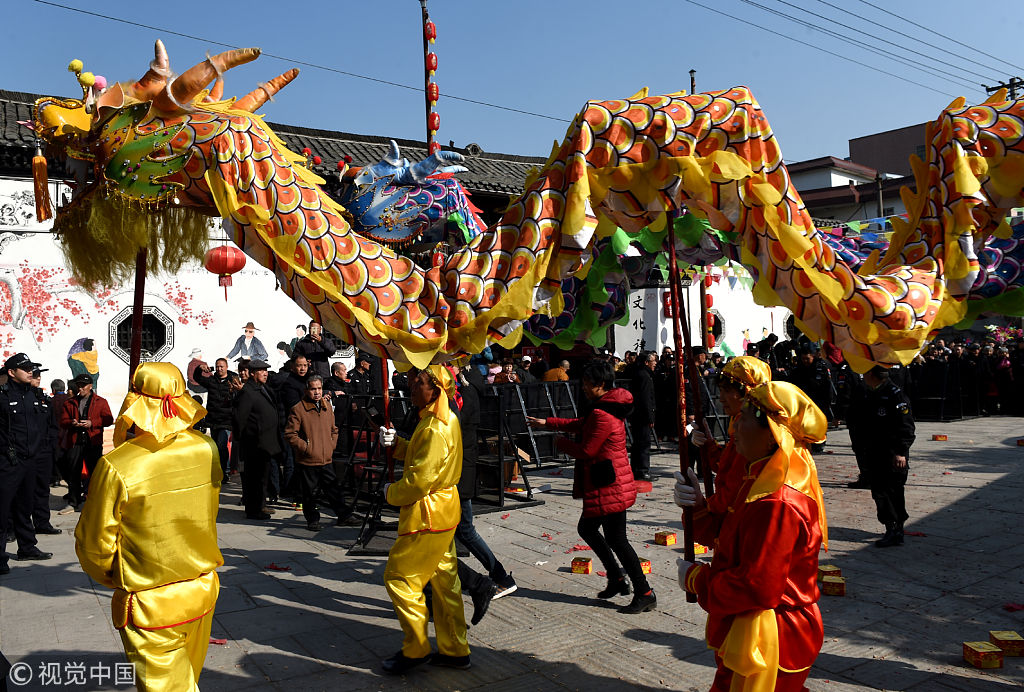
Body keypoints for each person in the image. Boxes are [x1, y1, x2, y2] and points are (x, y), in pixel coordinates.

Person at [75, 362, 223, 692]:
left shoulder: (117, 466)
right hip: (201, 588)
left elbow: (93, 544)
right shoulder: (206, 448)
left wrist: (116, 575)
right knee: (188, 679)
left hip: (150, 603)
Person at [676, 381, 828, 691]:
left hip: (770, 636)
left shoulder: (777, 502)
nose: (735, 427)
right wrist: (698, 508)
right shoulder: (756, 477)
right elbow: (731, 539)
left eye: (744, 417)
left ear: (772, 433)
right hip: (751, 625)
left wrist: (697, 579)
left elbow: (757, 587)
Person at [528, 360, 656, 614]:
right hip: (607, 481)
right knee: (591, 530)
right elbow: (581, 424)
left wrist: (561, 444)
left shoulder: (602, 412)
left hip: (610, 484)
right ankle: (617, 579)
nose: (584, 388)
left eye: (587, 384)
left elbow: (587, 450)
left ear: (601, 384)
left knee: (616, 539)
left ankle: (644, 591)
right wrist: (548, 423)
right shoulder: (606, 406)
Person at [378, 366, 470, 674]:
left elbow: (420, 481)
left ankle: (416, 648)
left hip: (428, 515)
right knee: (445, 583)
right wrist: (398, 444)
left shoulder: (434, 426)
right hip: (444, 511)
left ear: (434, 388)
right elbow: (425, 459)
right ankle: (455, 649)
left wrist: (390, 492)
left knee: (400, 578)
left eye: (416, 384)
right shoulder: (438, 419)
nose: (410, 389)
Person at [452, 364, 517, 625]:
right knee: (460, 531)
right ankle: (489, 578)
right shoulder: (466, 389)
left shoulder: (466, 393)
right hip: (460, 471)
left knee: (464, 530)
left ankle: (496, 578)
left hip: (461, 473)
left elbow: (454, 424)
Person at [676, 355, 773, 523]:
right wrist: (708, 444)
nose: (721, 398)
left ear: (748, 392)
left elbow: (731, 493)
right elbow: (725, 465)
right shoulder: (738, 425)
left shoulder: (756, 437)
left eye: (727, 391)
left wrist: (700, 507)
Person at [0, 353, 55, 574]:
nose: (30, 371)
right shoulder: (3, 396)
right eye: (25, 368)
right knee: (2, 510)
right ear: (12, 372)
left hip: (31, 460)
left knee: (25, 506)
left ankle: (27, 547)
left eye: (31, 368)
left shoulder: (34, 396)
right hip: (8, 461)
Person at [853, 366, 916, 547]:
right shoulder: (869, 392)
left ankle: (897, 529)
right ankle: (890, 526)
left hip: (892, 454)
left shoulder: (895, 395)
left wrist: (901, 452)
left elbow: (907, 428)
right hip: (875, 453)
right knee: (879, 492)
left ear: (872, 375)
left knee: (893, 491)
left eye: (865, 373)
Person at [284, 375, 344, 531]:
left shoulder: (327, 406)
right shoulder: (298, 409)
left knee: (333, 489)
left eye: (319, 388)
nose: (316, 392)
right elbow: (290, 434)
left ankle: (343, 515)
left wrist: (331, 445)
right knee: (309, 493)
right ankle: (312, 519)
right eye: (313, 389)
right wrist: (306, 448)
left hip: (326, 458)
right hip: (308, 460)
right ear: (306, 390)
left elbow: (334, 429)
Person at [232, 359, 280, 520]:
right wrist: (247, 439)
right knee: (254, 478)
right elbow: (240, 419)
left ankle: (260, 505)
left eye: (266, 370)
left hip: (265, 443)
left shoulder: (262, 388)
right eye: (261, 371)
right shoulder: (248, 392)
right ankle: (253, 510)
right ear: (253, 373)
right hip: (254, 444)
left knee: (262, 477)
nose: (265, 373)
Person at [59, 373, 114, 507]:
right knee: (73, 472)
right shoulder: (70, 402)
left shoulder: (100, 402)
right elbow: (63, 421)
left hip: (92, 442)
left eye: (83, 386)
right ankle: (73, 501)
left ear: (90, 386)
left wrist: (92, 423)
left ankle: (96, 500)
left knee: (95, 473)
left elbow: (108, 419)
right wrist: (72, 423)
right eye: (79, 386)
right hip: (75, 441)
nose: (81, 389)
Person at [194, 358, 235, 482]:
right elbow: (197, 378)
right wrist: (199, 368)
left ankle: (225, 472)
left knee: (222, 445)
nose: (219, 369)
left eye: (221, 366)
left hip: (226, 420)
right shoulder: (212, 380)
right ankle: (218, 471)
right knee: (216, 446)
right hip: (213, 419)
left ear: (226, 367)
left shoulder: (233, 380)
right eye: (217, 366)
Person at [629, 351, 658, 481]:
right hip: (642, 416)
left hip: (637, 415)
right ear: (646, 362)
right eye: (653, 361)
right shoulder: (644, 376)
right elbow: (645, 399)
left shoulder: (639, 373)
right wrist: (650, 417)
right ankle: (642, 470)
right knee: (643, 444)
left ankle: (635, 469)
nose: (655, 363)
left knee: (637, 444)